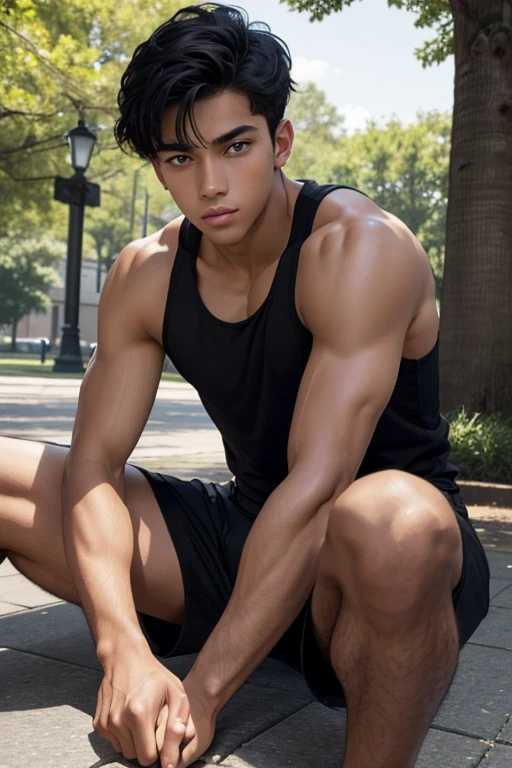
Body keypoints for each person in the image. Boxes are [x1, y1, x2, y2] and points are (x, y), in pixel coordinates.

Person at [0, 5, 490, 768]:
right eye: (179, 159)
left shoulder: (358, 250)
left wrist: (204, 691)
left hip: (365, 570)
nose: (212, 184)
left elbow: (320, 488)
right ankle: (231, 636)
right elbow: (94, 468)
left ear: (280, 140)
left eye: (236, 146)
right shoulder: (147, 274)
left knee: (391, 519)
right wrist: (122, 651)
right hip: (245, 534)